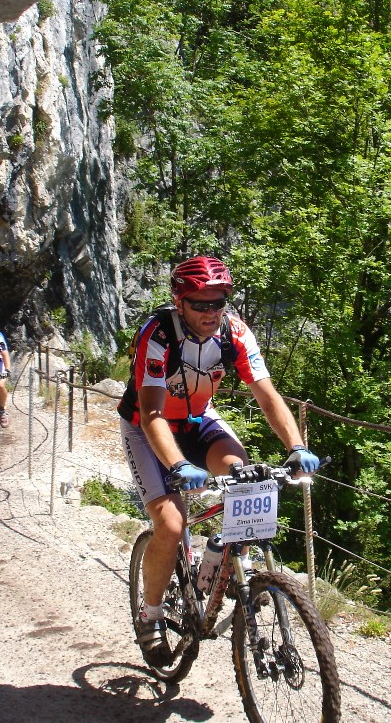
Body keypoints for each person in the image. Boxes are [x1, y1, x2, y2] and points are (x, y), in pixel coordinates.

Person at [117, 255, 321, 667]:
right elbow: (152, 413)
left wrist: (297, 446)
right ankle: (150, 615)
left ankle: (227, 564)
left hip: (197, 419)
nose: (211, 312)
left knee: (247, 479)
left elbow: (267, 395)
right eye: (200, 304)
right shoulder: (157, 334)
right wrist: (179, 466)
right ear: (179, 302)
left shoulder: (235, 332)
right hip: (147, 427)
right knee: (171, 524)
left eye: (219, 302)